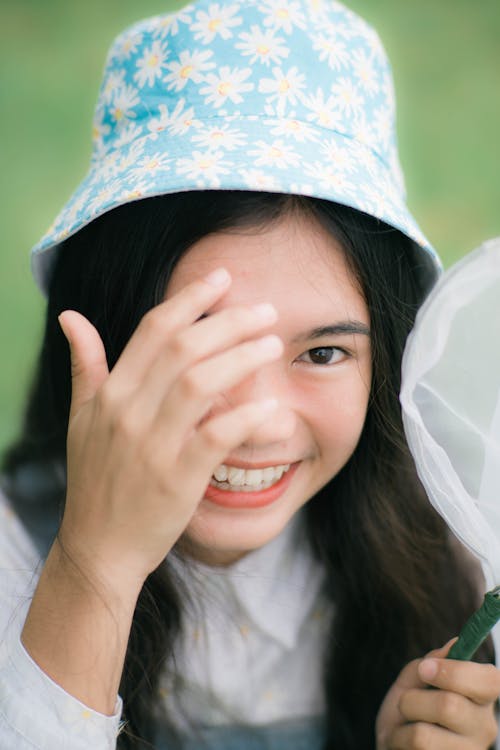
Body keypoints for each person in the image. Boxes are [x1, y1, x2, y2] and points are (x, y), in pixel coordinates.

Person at [0, 1, 499, 749]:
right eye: (205, 346)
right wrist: (94, 565)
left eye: (324, 353)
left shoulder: (454, 557)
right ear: (100, 329)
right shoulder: (15, 554)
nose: (260, 419)